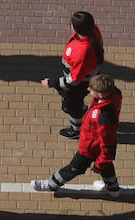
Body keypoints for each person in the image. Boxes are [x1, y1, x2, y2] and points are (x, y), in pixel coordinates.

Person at [32, 73, 122, 199]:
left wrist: (99, 164)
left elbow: (108, 145)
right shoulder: (112, 95)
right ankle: (113, 189)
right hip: (95, 146)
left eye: (91, 89)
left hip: (90, 149)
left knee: (74, 168)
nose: (88, 89)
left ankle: (51, 185)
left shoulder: (104, 117)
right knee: (107, 168)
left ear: (101, 94)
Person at [40, 10, 104, 138]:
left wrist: (53, 83)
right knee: (74, 103)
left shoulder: (82, 50)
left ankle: (76, 130)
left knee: (71, 108)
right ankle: (84, 112)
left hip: (78, 84)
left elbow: (74, 79)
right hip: (87, 78)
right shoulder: (93, 33)